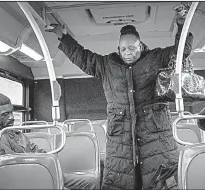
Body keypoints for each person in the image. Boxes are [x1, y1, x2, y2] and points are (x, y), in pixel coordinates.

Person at [47, 15, 193, 190]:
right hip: (120, 140)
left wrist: (181, 24)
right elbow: (83, 58)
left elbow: (181, 52)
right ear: (118, 49)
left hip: (156, 137)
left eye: (131, 48)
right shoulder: (107, 65)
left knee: (160, 182)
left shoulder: (155, 58)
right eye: (123, 49)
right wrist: (62, 37)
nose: (127, 53)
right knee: (121, 181)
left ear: (141, 46)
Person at [0, 93, 46, 160]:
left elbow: (34, 151)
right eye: (5, 114)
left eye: (11, 112)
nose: (12, 117)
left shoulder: (17, 134)